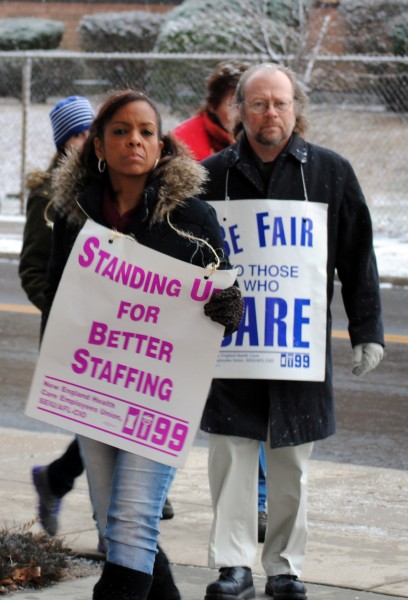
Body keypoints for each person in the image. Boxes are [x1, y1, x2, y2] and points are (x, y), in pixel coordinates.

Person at [41, 88, 244, 600]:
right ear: (99, 149)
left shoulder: (193, 219)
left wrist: (230, 308)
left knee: (131, 524)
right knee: (119, 532)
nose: (134, 139)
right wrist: (60, 374)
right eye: (120, 131)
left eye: (146, 132)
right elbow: (56, 296)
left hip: (160, 395)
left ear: (161, 147)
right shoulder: (73, 216)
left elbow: (223, 300)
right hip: (95, 389)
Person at [198, 63, 384, 600]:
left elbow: (357, 255)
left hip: (296, 346)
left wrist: (366, 328)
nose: (270, 113)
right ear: (239, 111)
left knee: (290, 464)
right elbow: (187, 259)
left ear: (296, 108)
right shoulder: (212, 177)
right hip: (232, 347)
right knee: (231, 457)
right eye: (258, 103)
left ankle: (284, 568)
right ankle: (233, 565)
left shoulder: (330, 172)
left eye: (280, 103)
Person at [173, 60, 269, 543]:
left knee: (253, 404)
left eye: (246, 101)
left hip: (243, 311)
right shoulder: (191, 142)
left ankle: (260, 503)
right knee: (183, 404)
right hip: (196, 301)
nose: (244, 109)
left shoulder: (248, 150)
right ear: (219, 102)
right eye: (238, 100)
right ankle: (160, 480)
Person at [19, 95, 96, 539]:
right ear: (66, 141)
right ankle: (113, 521)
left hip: (116, 327)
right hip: (73, 330)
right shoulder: (47, 196)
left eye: (92, 132)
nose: (88, 141)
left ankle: (57, 480)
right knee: (103, 422)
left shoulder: (111, 185)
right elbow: (32, 269)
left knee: (112, 423)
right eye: (80, 134)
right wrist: (64, 311)